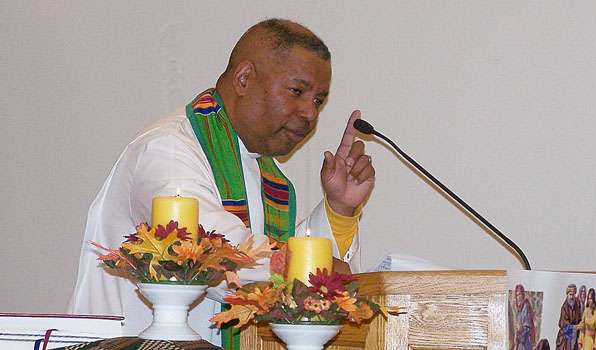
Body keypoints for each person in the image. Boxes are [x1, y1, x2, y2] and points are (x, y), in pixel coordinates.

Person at [67, 18, 375, 348]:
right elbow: (217, 259)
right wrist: (317, 266)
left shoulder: (260, 171)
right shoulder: (166, 151)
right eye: (297, 92)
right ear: (244, 79)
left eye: (318, 101)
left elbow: (278, 267)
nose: (310, 115)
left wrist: (340, 209)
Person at [557, 284, 583, 350]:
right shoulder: (564, 307)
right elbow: (564, 326)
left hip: (575, 337)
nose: (572, 297)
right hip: (565, 338)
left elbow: (580, 318)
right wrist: (576, 327)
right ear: (567, 295)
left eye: (573, 294)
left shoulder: (577, 303)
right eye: (570, 294)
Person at [513, 284, 536, 350]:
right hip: (520, 341)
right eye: (517, 295)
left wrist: (520, 327)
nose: (518, 297)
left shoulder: (525, 306)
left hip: (526, 341)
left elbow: (527, 326)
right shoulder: (519, 308)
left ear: (522, 294)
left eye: (519, 294)